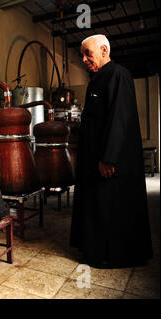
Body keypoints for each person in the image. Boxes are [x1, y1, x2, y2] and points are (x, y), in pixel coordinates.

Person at [70, 34, 153, 269]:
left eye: (88, 54)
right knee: (97, 206)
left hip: (108, 161)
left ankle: (112, 256)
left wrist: (108, 158)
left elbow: (119, 119)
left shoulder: (118, 75)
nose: (84, 59)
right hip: (93, 159)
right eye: (82, 55)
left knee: (111, 207)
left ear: (104, 50)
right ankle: (94, 250)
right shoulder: (97, 78)